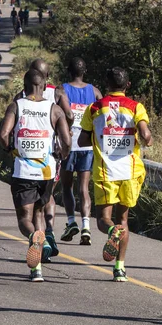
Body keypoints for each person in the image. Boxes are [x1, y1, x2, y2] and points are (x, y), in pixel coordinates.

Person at [78, 67, 153, 282]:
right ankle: (119, 268)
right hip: (129, 172)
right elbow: (146, 134)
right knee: (123, 220)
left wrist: (99, 136)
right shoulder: (135, 107)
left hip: (105, 171)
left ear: (106, 84)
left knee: (104, 220)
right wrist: (146, 139)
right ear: (127, 85)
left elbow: (83, 140)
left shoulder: (94, 108)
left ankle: (112, 233)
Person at [0, 69, 71, 282]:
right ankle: (36, 269)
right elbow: (66, 141)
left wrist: (11, 149)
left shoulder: (16, 105)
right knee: (39, 213)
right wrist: (61, 156)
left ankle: (34, 237)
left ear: (25, 84)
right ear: (44, 85)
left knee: (24, 220)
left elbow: (3, 135)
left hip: (24, 170)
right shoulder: (54, 109)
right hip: (46, 171)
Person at [14, 59, 74, 262]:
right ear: (46, 77)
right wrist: (65, 132)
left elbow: (9, 127)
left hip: (26, 163)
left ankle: (41, 239)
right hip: (51, 157)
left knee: (29, 212)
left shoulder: (21, 97)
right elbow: (69, 114)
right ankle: (48, 233)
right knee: (47, 197)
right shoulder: (56, 93)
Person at [60, 58, 103, 245]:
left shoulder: (61, 90)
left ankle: (71, 222)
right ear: (85, 71)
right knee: (84, 188)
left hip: (69, 145)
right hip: (87, 146)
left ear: (68, 71)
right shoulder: (94, 92)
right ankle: (86, 226)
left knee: (67, 186)